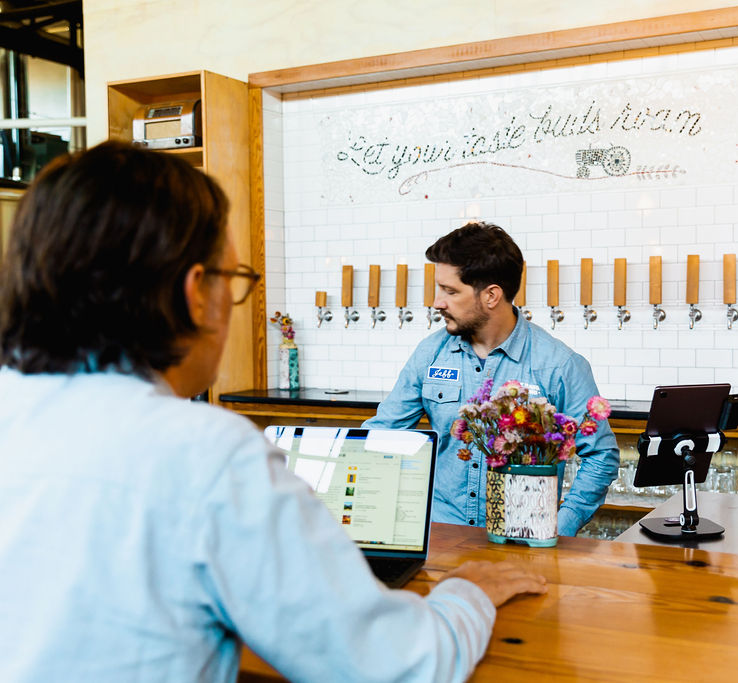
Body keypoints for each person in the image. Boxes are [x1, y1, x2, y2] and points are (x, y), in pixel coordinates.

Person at [0, 142, 546, 682]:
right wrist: (471, 591)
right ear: (195, 294)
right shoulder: (207, 455)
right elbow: (391, 665)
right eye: (232, 281)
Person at [364, 222, 620, 536]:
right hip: (440, 537)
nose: (437, 302)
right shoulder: (430, 354)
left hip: (522, 543)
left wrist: (559, 528)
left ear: (491, 296)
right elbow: (381, 434)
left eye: (450, 291)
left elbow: (601, 456)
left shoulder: (559, 365)